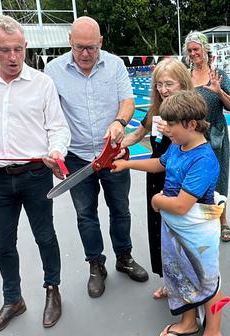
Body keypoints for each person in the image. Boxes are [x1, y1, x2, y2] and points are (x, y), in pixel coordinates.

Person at [0, 15, 70, 336]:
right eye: (5, 50)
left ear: (25, 46)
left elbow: (57, 128)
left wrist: (56, 150)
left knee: (45, 236)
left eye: (18, 49)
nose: (13, 57)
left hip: (36, 176)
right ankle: (12, 300)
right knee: (2, 242)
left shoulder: (42, 83)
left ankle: (52, 290)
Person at [112, 91, 226, 336]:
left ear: (190, 124)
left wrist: (156, 200)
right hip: (174, 227)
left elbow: (183, 205)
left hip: (196, 230)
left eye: (170, 125)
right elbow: (160, 164)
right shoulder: (178, 145)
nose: (166, 130)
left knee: (207, 280)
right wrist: (127, 164)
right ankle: (188, 321)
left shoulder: (204, 159)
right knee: (179, 274)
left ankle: (214, 332)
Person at [44, 16, 148, 298]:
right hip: (77, 156)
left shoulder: (114, 65)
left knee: (121, 209)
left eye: (91, 47)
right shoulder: (53, 70)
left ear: (101, 42)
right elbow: (46, 114)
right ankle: (95, 264)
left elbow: (128, 101)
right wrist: (50, 149)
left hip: (112, 153)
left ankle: (124, 257)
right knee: (85, 215)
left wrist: (119, 122)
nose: (86, 54)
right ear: (70, 42)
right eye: (79, 48)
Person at [119, 59, 193, 299]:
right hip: (156, 178)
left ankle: (187, 283)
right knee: (159, 233)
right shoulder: (155, 110)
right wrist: (118, 146)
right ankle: (169, 280)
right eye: (159, 84)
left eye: (169, 84)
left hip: (177, 181)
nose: (163, 90)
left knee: (179, 235)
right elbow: (137, 134)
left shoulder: (191, 114)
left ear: (183, 84)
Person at [183, 31, 230, 243]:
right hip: (192, 136)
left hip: (215, 134)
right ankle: (202, 219)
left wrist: (218, 92)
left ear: (206, 50)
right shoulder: (185, 77)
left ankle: (222, 221)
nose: (193, 53)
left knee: (219, 178)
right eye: (190, 50)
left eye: (196, 49)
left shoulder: (218, 74)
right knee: (195, 179)